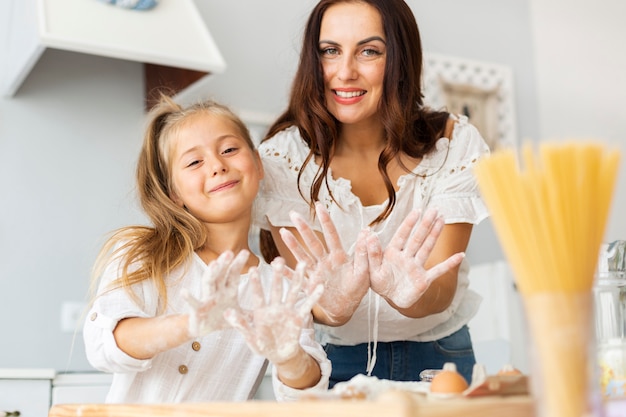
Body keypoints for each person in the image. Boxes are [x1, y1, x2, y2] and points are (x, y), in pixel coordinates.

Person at [254, 0, 490, 386]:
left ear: (400, 59)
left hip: (440, 357)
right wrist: (333, 306)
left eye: (369, 51)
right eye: (330, 51)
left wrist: (408, 294)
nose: (345, 72)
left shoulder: (453, 144)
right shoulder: (284, 158)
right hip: (331, 362)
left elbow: (443, 289)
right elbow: (318, 304)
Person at [83, 95, 330, 403]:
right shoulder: (141, 253)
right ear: (174, 193)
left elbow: (307, 396)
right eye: (194, 162)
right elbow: (101, 347)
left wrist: (290, 357)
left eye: (229, 149)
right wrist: (189, 324)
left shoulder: (283, 288)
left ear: (257, 163)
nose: (217, 166)